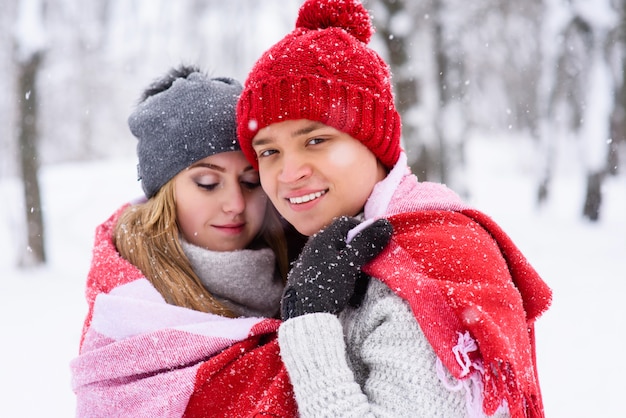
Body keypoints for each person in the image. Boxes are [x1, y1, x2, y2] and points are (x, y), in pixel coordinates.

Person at [236, 1, 553, 417]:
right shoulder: (332, 245)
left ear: (373, 143)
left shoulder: (423, 268)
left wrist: (309, 325)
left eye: (316, 140)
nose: (288, 172)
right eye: (269, 151)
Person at [71, 65, 301, 417]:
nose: (235, 204)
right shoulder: (129, 305)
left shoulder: (304, 263)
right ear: (164, 194)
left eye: (251, 182)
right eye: (208, 183)